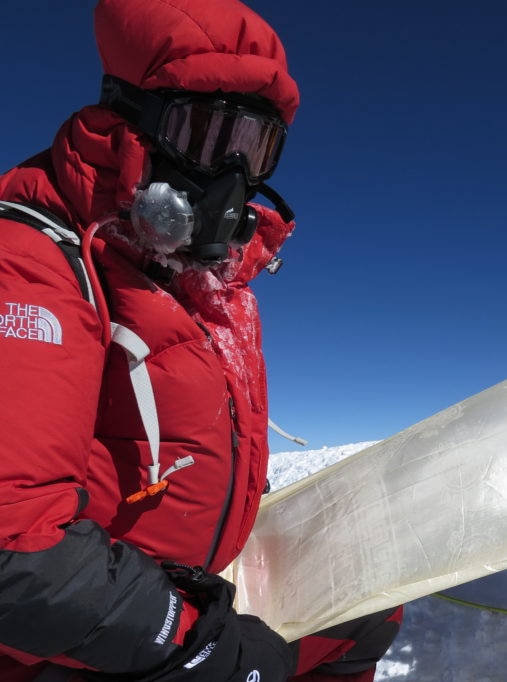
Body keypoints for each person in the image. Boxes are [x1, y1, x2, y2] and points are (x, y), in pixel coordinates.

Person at [0, 2, 401, 681]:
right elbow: (13, 549)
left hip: (171, 594)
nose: (234, 177)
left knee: (365, 612)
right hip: (65, 645)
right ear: (131, 125)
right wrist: (196, 644)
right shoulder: (35, 258)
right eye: (211, 137)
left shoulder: (191, 283)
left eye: (255, 148)